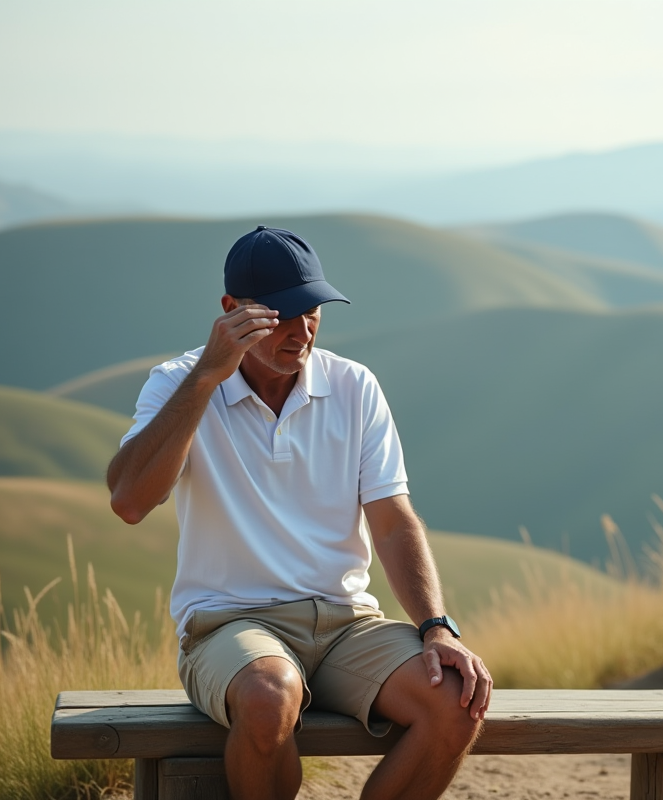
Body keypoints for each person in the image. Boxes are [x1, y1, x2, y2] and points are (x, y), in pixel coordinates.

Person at [106, 225, 491, 800]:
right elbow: (130, 501)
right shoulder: (178, 383)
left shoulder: (354, 386)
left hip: (346, 623)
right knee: (268, 699)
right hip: (229, 624)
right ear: (231, 311)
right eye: (282, 312)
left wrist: (436, 626)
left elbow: (392, 521)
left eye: (313, 309)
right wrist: (208, 376)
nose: (302, 327)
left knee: (456, 700)